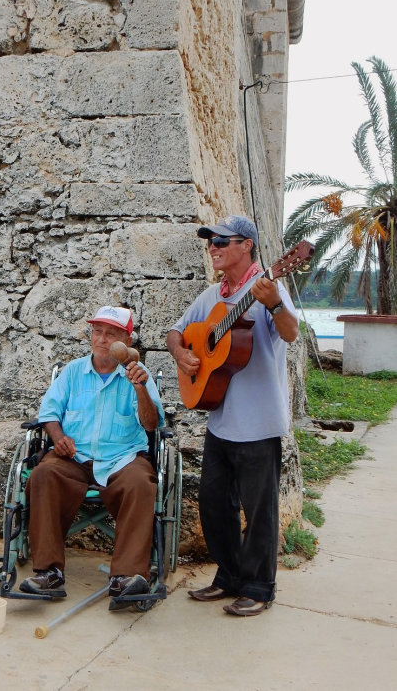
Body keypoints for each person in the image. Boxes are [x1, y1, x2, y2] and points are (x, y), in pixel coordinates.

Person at [167, 215, 298, 617]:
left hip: (258, 423)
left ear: (247, 246)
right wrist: (183, 354)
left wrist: (273, 303)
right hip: (220, 419)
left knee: (260, 511)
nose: (214, 248)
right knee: (214, 503)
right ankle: (228, 577)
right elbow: (175, 332)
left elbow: (291, 333)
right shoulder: (211, 296)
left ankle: (259, 587)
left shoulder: (267, 288)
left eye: (222, 241)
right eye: (210, 242)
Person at [19, 305, 164, 611]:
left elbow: (151, 425)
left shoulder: (138, 374)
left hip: (123, 458)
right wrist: (58, 440)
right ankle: (49, 574)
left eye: (111, 334)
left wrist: (139, 388)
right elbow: (49, 413)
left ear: (127, 340)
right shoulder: (73, 372)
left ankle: (126, 576)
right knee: (43, 475)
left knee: (142, 483)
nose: (101, 339)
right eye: (97, 331)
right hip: (75, 457)